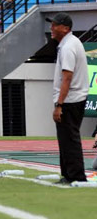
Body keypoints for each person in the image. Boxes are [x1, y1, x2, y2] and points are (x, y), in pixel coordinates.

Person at [47, 13, 88, 184]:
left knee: (69, 139)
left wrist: (59, 104)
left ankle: (76, 176)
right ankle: (68, 174)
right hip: (73, 99)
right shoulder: (70, 43)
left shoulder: (68, 47)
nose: (51, 28)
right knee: (66, 139)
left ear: (65, 28)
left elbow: (67, 78)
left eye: (55, 25)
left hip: (70, 100)